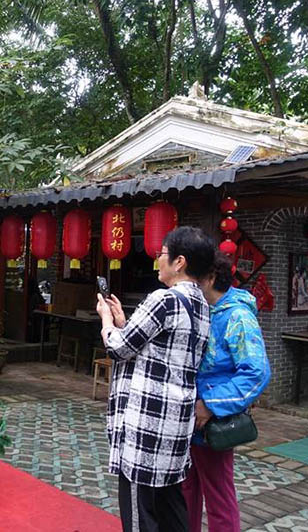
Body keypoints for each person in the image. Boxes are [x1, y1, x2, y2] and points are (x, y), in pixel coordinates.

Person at [96, 226, 215, 532]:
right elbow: (162, 351)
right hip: (174, 425)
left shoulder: (164, 299)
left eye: (162, 253)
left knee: (140, 515)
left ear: (180, 262)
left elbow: (119, 348)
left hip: (146, 425)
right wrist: (125, 321)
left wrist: (108, 322)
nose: (158, 260)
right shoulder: (201, 305)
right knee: (171, 507)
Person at [182, 251, 271, 532]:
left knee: (218, 497)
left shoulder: (238, 316)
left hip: (213, 421)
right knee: (185, 492)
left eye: (195, 277)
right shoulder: (205, 310)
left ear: (209, 278)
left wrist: (210, 404)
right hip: (190, 419)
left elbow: (257, 373)